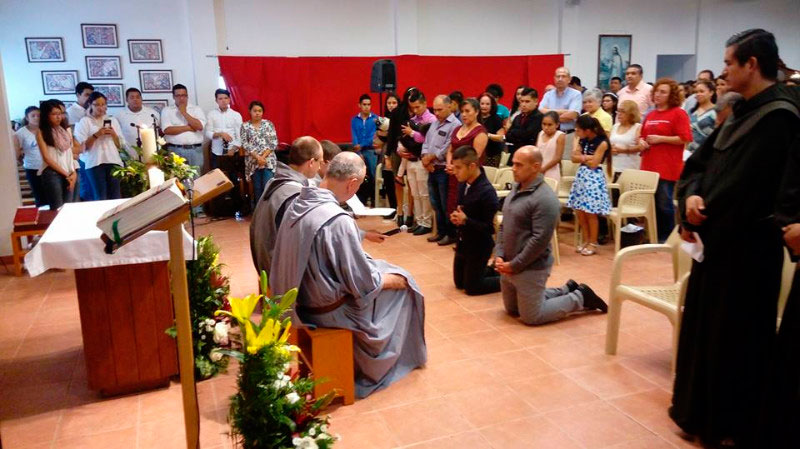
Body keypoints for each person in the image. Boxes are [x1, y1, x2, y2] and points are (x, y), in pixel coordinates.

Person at [671, 29, 800, 448]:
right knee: (703, 330)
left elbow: (750, 187)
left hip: (746, 251)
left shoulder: (781, 116)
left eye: (729, 63)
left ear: (752, 64)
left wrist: (702, 209)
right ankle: (698, 413)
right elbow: (700, 164)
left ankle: (728, 421)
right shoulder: (740, 110)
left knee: (735, 339)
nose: (723, 70)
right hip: (715, 244)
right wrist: (690, 195)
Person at [270, 152, 426, 398]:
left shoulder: (299, 201)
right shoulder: (337, 220)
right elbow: (363, 285)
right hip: (329, 311)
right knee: (406, 288)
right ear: (352, 183)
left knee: (381, 267)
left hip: (302, 300)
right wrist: (396, 280)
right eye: (360, 184)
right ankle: (388, 363)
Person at [496, 146, 607, 325]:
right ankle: (566, 289)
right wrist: (499, 254)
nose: (513, 168)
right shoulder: (516, 189)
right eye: (513, 164)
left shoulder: (545, 199)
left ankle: (580, 297)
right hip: (509, 265)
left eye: (518, 165)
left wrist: (514, 265)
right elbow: (504, 226)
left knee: (532, 317)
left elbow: (539, 241)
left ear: (535, 167)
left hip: (530, 266)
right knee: (513, 309)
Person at [250, 136, 323, 276]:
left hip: (264, 263)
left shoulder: (275, 180)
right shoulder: (295, 194)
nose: (320, 167)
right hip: (278, 272)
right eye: (320, 162)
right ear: (311, 162)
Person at [639, 78, 692, 242]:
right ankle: (652, 235)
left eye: (663, 92)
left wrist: (661, 139)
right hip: (648, 163)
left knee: (664, 203)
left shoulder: (678, 113)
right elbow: (642, 135)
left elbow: (685, 138)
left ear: (671, 95)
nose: (658, 95)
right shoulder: (651, 114)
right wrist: (641, 142)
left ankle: (667, 237)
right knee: (651, 204)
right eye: (656, 91)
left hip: (666, 165)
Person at [450, 146, 500, 295]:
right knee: (459, 283)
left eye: (459, 168)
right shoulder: (463, 183)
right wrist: (456, 217)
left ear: (472, 166)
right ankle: (489, 270)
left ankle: (509, 280)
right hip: (464, 241)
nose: (455, 171)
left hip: (479, 245)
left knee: (472, 288)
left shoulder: (487, 192)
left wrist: (466, 220)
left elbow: (489, 229)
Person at [567, 115, 612, 256]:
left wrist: (583, 157)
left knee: (590, 212)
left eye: (579, 130)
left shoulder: (602, 142)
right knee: (580, 211)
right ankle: (586, 240)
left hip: (593, 178)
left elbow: (594, 164)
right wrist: (587, 157)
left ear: (587, 130)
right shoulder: (583, 140)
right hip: (581, 176)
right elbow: (573, 158)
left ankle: (593, 242)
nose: (577, 133)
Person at [421, 95, 461, 245]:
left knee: (445, 204)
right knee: (435, 203)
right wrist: (425, 158)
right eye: (435, 110)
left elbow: (448, 146)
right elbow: (426, 142)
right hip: (431, 168)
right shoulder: (434, 124)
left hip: (443, 168)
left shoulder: (455, 124)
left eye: (440, 109)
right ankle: (441, 231)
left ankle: (450, 234)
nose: (436, 113)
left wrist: (432, 157)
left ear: (449, 107)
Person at [445, 98, 488, 235]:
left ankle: (466, 234)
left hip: (469, 176)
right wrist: (449, 164)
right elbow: (450, 149)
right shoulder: (458, 128)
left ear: (476, 112)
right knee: (452, 204)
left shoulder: (480, 132)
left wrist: (457, 167)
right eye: (462, 111)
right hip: (454, 173)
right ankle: (454, 234)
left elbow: (475, 156)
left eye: (467, 111)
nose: (464, 114)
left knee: (467, 206)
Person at [74, 92, 125, 200]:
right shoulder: (84, 122)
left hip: (113, 160)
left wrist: (113, 134)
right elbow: (82, 148)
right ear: (90, 105)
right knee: (100, 195)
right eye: (97, 105)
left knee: (115, 195)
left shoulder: (112, 120)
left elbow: (120, 145)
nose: (101, 108)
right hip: (94, 162)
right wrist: (97, 135)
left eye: (103, 104)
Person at [397, 90, 436, 234]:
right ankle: (418, 221)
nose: (415, 110)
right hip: (410, 160)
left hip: (422, 160)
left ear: (425, 103)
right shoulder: (413, 120)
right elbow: (402, 137)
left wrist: (412, 133)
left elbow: (427, 139)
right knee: (415, 193)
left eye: (418, 106)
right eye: (413, 107)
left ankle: (426, 222)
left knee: (424, 193)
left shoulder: (431, 119)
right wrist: (401, 149)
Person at [35, 101, 78, 210]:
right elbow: (47, 158)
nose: (59, 117)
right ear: (46, 115)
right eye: (54, 114)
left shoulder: (65, 130)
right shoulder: (41, 132)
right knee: (57, 209)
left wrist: (73, 173)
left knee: (69, 208)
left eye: (60, 114)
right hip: (52, 173)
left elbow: (69, 154)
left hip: (68, 172)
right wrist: (66, 174)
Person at [161, 84, 206, 176]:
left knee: (196, 179)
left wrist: (184, 112)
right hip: (175, 150)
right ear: (173, 97)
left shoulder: (196, 109)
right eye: (178, 95)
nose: (181, 98)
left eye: (184, 95)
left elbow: (200, 126)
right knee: (177, 179)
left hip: (195, 151)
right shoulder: (167, 110)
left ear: (187, 96)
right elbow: (167, 130)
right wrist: (189, 127)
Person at [240, 100, 278, 206]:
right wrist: (257, 157)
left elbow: (273, 142)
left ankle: (269, 212)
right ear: (250, 112)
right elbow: (245, 144)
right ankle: (258, 214)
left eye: (260, 111)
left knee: (267, 186)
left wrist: (263, 157)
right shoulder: (245, 126)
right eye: (255, 111)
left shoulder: (268, 124)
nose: (257, 113)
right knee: (257, 188)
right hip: (253, 161)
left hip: (268, 160)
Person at [540, 67, 582, 159]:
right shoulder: (548, 94)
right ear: (554, 78)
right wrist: (564, 111)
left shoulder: (576, 94)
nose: (560, 79)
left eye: (563, 76)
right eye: (557, 76)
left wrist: (550, 114)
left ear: (569, 79)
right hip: (549, 135)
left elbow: (573, 115)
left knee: (565, 164)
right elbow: (540, 111)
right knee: (548, 162)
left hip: (567, 135)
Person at [67, 82, 93, 202]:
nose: (89, 98)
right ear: (78, 95)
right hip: (78, 153)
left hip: (92, 151)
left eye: (91, 95)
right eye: (87, 95)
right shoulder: (70, 112)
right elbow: (71, 134)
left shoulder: (92, 109)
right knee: (84, 187)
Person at [115, 88, 159, 159]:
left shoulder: (153, 113)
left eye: (138, 97)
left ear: (141, 98)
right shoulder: (119, 116)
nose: (135, 100)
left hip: (151, 155)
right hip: (129, 156)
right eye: (132, 97)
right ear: (127, 100)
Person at [350, 93, 378, 204]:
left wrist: (361, 145)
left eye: (369, 104)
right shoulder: (354, 120)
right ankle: (360, 199)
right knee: (356, 173)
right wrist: (358, 149)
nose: (367, 107)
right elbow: (354, 136)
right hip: (358, 151)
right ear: (359, 105)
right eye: (364, 104)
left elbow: (373, 137)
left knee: (372, 172)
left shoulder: (375, 119)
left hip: (371, 150)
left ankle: (373, 198)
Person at [13, 106, 44, 206]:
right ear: (27, 118)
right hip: (32, 167)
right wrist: (21, 161)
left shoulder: (45, 130)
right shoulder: (21, 133)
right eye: (33, 116)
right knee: (39, 195)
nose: (36, 118)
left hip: (47, 166)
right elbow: (17, 151)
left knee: (50, 194)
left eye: (38, 115)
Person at [206, 89, 242, 170]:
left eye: (226, 98)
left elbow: (240, 136)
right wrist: (220, 134)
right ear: (216, 100)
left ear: (229, 99)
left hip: (232, 152)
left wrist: (233, 149)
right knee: (218, 180)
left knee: (233, 179)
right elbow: (208, 133)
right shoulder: (211, 114)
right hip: (216, 152)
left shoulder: (236, 115)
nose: (223, 101)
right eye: (220, 98)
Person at [375, 93, 399, 212]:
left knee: (397, 184)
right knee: (388, 181)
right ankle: (392, 209)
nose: (391, 105)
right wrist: (380, 134)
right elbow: (377, 141)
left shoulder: (402, 118)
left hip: (397, 154)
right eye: (389, 103)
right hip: (385, 154)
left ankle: (400, 211)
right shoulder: (383, 119)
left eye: (394, 103)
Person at [505, 87, 544, 162]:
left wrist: (514, 132)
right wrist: (518, 133)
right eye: (521, 101)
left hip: (530, 157)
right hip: (515, 154)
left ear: (536, 101)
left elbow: (527, 136)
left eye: (527, 101)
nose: (523, 104)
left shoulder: (539, 117)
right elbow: (508, 136)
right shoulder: (517, 117)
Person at [610, 100, 643, 179]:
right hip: (613, 167)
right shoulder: (615, 126)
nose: (619, 114)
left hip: (629, 168)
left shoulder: (638, 127)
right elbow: (608, 143)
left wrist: (623, 150)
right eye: (618, 111)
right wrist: (610, 149)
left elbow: (640, 147)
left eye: (623, 112)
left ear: (631, 114)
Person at [686, 79, 717, 158]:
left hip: (707, 154)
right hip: (689, 153)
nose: (698, 94)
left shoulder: (716, 111)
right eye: (696, 92)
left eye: (701, 91)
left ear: (711, 92)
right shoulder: (691, 112)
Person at [535, 111, 565, 183]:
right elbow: (536, 152)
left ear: (557, 125)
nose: (546, 127)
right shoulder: (540, 133)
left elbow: (557, 158)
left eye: (549, 125)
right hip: (538, 169)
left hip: (552, 171)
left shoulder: (560, 136)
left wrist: (543, 169)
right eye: (544, 124)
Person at [478, 92, 506, 167]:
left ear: (492, 105)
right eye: (482, 103)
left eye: (487, 104)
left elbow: (501, 137)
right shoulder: (475, 118)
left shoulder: (496, 119)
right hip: (477, 154)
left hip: (492, 155)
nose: (484, 106)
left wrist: (487, 135)